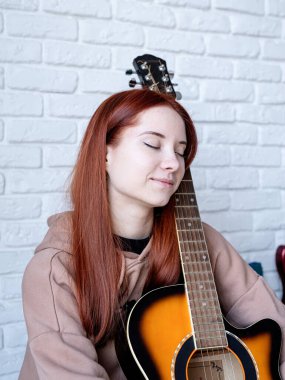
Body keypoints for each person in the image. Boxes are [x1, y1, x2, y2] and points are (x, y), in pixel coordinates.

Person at [19, 88, 285, 379]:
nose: (173, 163)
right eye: (152, 144)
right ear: (104, 153)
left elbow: (275, 330)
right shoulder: (54, 267)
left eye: (181, 151)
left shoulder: (203, 241)